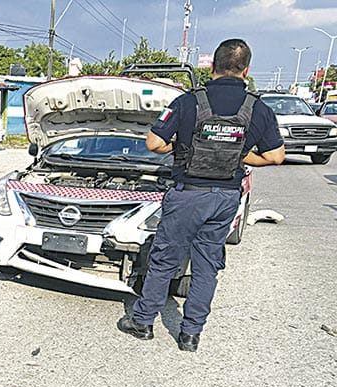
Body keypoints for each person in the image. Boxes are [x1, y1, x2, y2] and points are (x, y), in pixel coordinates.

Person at [117, 38, 284, 352]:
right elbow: (275, 156)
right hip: (224, 198)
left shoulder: (187, 102)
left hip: (188, 195)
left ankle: (142, 322)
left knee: (164, 260)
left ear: (212, 66)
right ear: (247, 69)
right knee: (207, 265)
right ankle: (190, 335)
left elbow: (153, 144)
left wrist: (184, 148)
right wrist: (238, 156)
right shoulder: (258, 108)